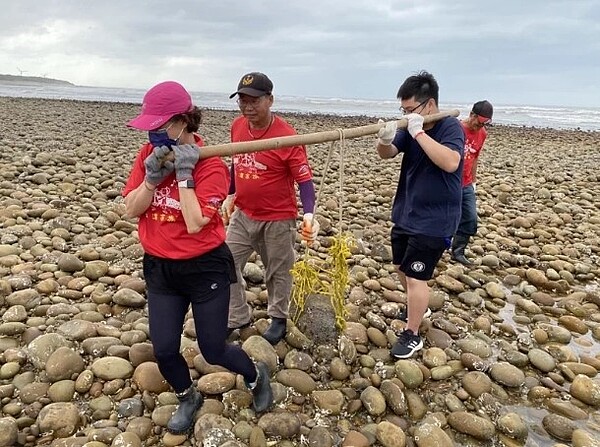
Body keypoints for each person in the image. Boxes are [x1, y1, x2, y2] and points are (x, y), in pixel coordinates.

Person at [123, 81, 272, 435]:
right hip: (160, 269)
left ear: (183, 121)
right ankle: (188, 395)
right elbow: (131, 209)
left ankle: (255, 376)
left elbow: (194, 223)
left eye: (160, 126)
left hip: (205, 267)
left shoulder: (211, 166)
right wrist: (150, 180)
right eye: (150, 127)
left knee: (213, 348)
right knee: (163, 349)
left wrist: (186, 175)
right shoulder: (148, 154)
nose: (154, 134)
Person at [222, 72, 319, 345]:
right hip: (243, 214)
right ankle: (237, 315)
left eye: (254, 101)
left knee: (278, 270)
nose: (248, 107)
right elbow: (236, 162)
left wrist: (309, 214)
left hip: (278, 218)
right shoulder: (238, 127)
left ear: (270, 100)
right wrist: (230, 194)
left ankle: (278, 317)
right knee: (224, 264)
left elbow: (305, 180)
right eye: (242, 100)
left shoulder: (287, 137)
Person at [376, 71, 464, 359]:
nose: (406, 114)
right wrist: (385, 139)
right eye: (403, 110)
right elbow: (386, 154)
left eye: (409, 109)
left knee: (416, 277)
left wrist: (419, 133)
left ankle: (412, 334)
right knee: (401, 268)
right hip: (407, 211)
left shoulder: (450, 127)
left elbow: (451, 162)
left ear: (429, 104)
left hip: (435, 218)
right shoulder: (413, 124)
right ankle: (419, 306)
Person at [452, 100, 493, 264]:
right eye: (479, 122)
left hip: (466, 182)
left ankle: (458, 251)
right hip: (448, 181)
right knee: (443, 217)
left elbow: (475, 157)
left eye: (485, 123)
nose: (480, 126)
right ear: (472, 115)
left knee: (470, 219)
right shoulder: (456, 129)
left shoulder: (482, 133)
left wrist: (474, 182)